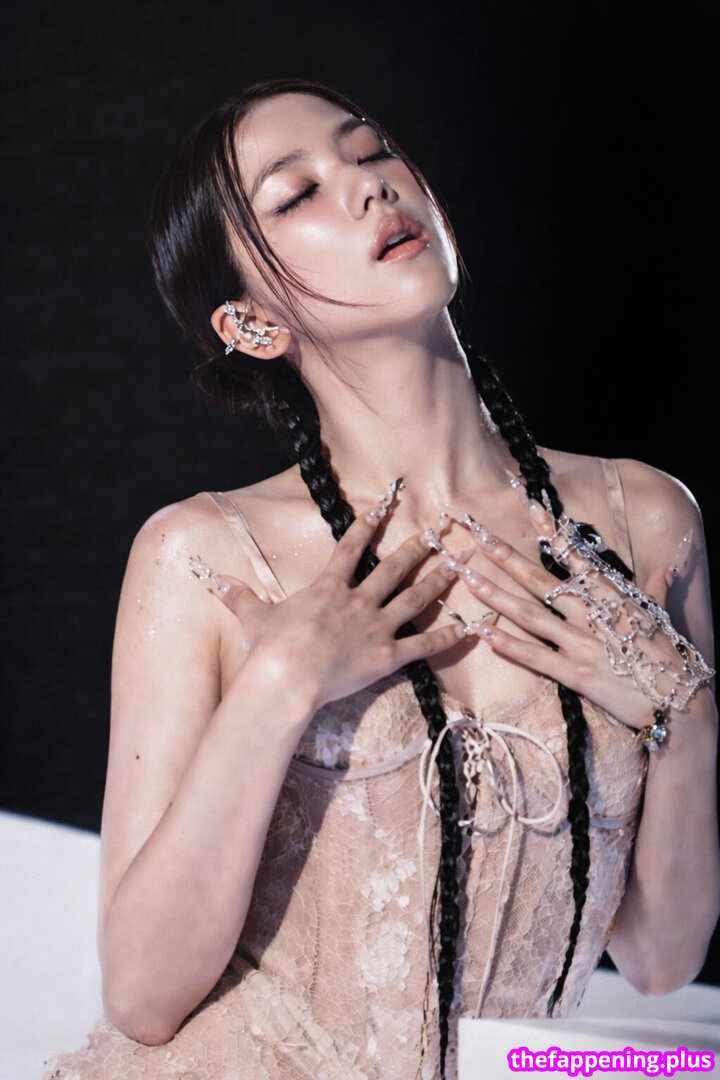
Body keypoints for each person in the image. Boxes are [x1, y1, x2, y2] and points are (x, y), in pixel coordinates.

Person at [42, 77, 720, 1080]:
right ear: (253, 325)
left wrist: (687, 720)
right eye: (296, 194)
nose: (370, 186)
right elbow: (142, 996)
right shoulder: (206, 555)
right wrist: (280, 686)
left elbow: (661, 961)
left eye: (370, 152)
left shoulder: (645, 518)